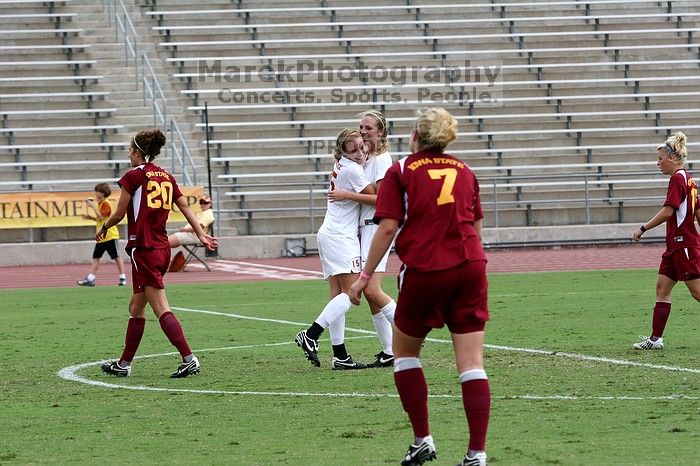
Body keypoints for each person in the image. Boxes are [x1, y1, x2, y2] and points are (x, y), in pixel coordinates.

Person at [349, 108, 491, 466]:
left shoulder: (402, 170)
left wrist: (364, 277)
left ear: (416, 134)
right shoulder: (465, 170)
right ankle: (477, 452)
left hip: (427, 269)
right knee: (472, 363)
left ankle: (422, 439)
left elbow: (386, 228)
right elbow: (475, 228)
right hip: (471, 266)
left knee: (406, 354)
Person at [98, 129, 217, 378]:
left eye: (130, 150)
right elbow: (184, 206)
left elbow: (119, 214)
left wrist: (104, 227)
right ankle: (124, 364)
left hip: (145, 248)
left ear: (138, 152)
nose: (128, 155)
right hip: (161, 247)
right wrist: (201, 233)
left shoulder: (133, 176)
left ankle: (189, 358)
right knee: (135, 307)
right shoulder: (166, 176)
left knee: (161, 307)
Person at [295, 129, 375, 370]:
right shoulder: (352, 168)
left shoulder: (342, 164)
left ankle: (340, 355)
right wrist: (347, 193)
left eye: (362, 147)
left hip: (329, 233)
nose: (360, 153)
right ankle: (311, 334)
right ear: (343, 152)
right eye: (354, 150)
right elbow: (377, 199)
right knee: (353, 295)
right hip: (340, 236)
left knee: (337, 296)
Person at [327, 110, 397, 368]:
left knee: (371, 288)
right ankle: (389, 350)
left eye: (369, 128)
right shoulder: (364, 158)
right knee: (368, 293)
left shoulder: (381, 159)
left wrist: (347, 194)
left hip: (374, 227)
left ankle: (410, 331)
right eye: (361, 127)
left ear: (380, 132)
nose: (364, 131)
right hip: (362, 228)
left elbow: (381, 198)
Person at [631, 131, 700, 350]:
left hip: (684, 245)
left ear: (671, 158)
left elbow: (668, 212)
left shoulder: (678, 180)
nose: (658, 163)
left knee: (697, 292)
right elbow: (698, 212)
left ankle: (656, 339)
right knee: (662, 288)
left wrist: (643, 228)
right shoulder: (689, 180)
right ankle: (656, 339)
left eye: (660, 159)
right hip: (675, 247)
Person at [77, 182, 128, 287]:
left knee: (116, 256)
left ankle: (123, 277)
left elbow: (101, 217)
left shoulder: (106, 203)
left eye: (98, 192)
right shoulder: (101, 203)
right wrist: (90, 217)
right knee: (96, 256)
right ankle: (91, 278)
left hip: (110, 235)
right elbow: (102, 219)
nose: (96, 194)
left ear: (103, 193)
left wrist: (92, 206)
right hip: (102, 236)